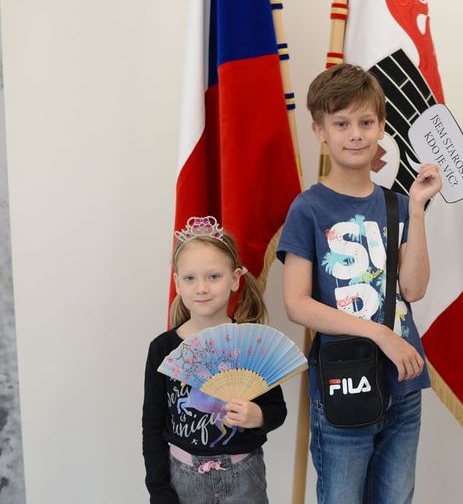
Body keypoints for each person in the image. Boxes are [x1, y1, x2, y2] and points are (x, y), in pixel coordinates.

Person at [278, 63, 442, 504]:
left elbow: (413, 289)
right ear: (320, 130)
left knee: (396, 497)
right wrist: (380, 334)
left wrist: (418, 209)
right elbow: (297, 304)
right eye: (342, 124)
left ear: (381, 127)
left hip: (403, 384)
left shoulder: (398, 205)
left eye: (366, 123)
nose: (356, 134)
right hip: (343, 382)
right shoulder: (308, 209)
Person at [142, 216, 287, 504]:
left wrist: (258, 416)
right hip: (182, 480)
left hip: (244, 476)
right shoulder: (163, 349)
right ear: (177, 282)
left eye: (213, 276)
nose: (201, 288)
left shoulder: (249, 345)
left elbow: (277, 408)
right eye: (190, 278)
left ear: (234, 279)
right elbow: (152, 425)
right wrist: (158, 490)